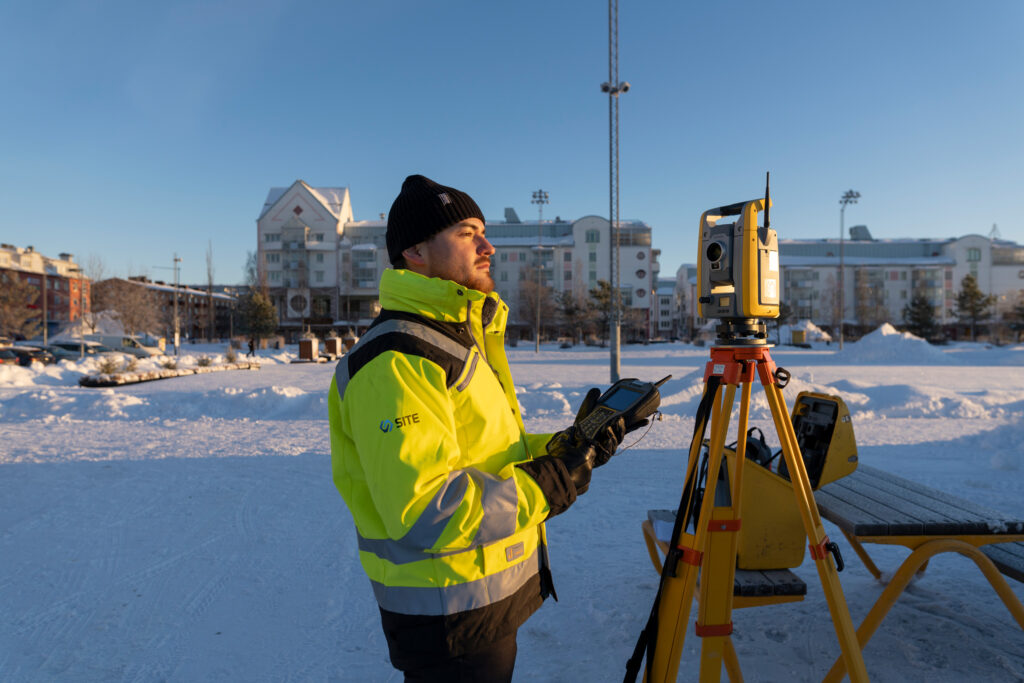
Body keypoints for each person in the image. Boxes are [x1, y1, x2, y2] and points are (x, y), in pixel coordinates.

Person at [328, 175, 640, 682]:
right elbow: (426, 510)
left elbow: (488, 451)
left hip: (479, 605)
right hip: (447, 619)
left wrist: (570, 446)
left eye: (483, 231)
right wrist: (552, 481)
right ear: (415, 252)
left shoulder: (451, 338)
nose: (488, 246)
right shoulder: (397, 360)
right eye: (467, 232)